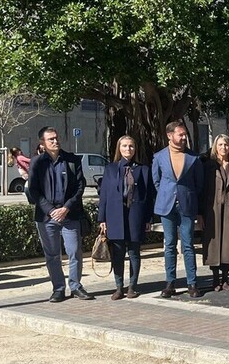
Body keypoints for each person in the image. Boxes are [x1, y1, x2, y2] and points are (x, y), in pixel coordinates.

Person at [28, 126, 92, 301]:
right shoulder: (37, 162)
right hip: (46, 217)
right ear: (42, 143)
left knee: (74, 251)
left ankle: (76, 286)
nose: (55, 141)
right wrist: (50, 210)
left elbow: (80, 187)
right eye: (51, 139)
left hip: (69, 215)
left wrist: (66, 208)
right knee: (52, 255)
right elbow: (33, 190)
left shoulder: (72, 160)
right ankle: (58, 288)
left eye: (56, 138)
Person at [97, 135, 155, 299]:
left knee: (134, 253)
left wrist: (148, 219)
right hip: (115, 216)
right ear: (119, 148)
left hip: (135, 215)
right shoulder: (111, 169)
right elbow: (104, 195)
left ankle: (132, 287)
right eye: (124, 146)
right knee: (118, 253)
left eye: (131, 146)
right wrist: (102, 219)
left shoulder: (143, 169)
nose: (128, 149)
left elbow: (149, 197)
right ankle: (119, 287)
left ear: (135, 149)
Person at [151, 121, 204, 298]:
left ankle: (192, 283)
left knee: (188, 244)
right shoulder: (159, 157)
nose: (183, 137)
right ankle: (170, 283)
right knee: (169, 245)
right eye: (180, 134)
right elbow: (156, 181)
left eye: (184, 134)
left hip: (187, 205)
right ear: (169, 135)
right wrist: (167, 194)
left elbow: (199, 184)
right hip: (167, 206)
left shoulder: (193, 158)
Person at [201, 134, 229, 292]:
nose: (223, 148)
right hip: (212, 210)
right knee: (213, 245)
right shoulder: (208, 166)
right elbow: (202, 190)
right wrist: (200, 213)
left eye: (226, 145)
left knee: (228, 243)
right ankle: (215, 278)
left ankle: (225, 278)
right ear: (215, 146)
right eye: (220, 144)